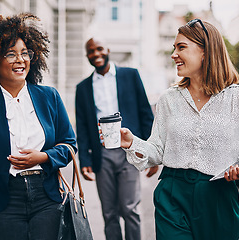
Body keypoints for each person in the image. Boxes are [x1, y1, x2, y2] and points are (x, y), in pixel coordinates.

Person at [119, 19, 239, 240]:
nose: (174, 55)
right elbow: (158, 150)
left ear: (206, 51)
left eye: (181, 47)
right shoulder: (169, 98)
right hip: (172, 195)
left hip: (219, 196)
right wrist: (132, 143)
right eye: (174, 48)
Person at [0, 13, 76, 240]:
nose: (20, 60)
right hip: (4, 200)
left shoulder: (49, 96)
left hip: (46, 197)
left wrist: (43, 157)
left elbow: (70, 144)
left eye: (25, 53)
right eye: (10, 54)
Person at [75, 37, 158, 240]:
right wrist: (84, 160)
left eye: (99, 49)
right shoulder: (83, 87)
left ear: (108, 49)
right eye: (91, 51)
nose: (96, 54)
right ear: (87, 55)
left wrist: (151, 153)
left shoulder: (130, 75)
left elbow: (146, 114)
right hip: (101, 156)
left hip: (129, 151)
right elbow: (83, 126)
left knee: (130, 209)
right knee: (109, 213)